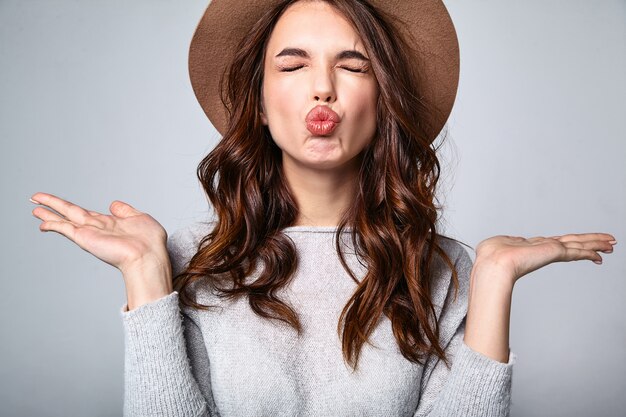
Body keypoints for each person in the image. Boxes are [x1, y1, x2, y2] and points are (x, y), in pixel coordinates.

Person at [30, 0, 616, 416]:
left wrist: (491, 277)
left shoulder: (449, 272)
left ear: (383, 98)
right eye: (292, 64)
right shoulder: (188, 261)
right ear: (258, 103)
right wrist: (145, 277)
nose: (323, 87)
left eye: (353, 65)